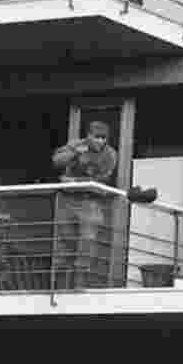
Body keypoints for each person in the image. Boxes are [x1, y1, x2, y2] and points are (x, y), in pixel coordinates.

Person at [51, 120, 117, 290]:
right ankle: (59, 288)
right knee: (65, 242)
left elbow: (102, 179)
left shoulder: (110, 154)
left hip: (90, 201)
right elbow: (57, 162)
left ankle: (79, 287)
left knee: (87, 241)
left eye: (104, 138)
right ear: (88, 136)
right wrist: (74, 153)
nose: (100, 141)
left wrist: (74, 180)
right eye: (97, 137)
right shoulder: (76, 145)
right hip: (68, 201)